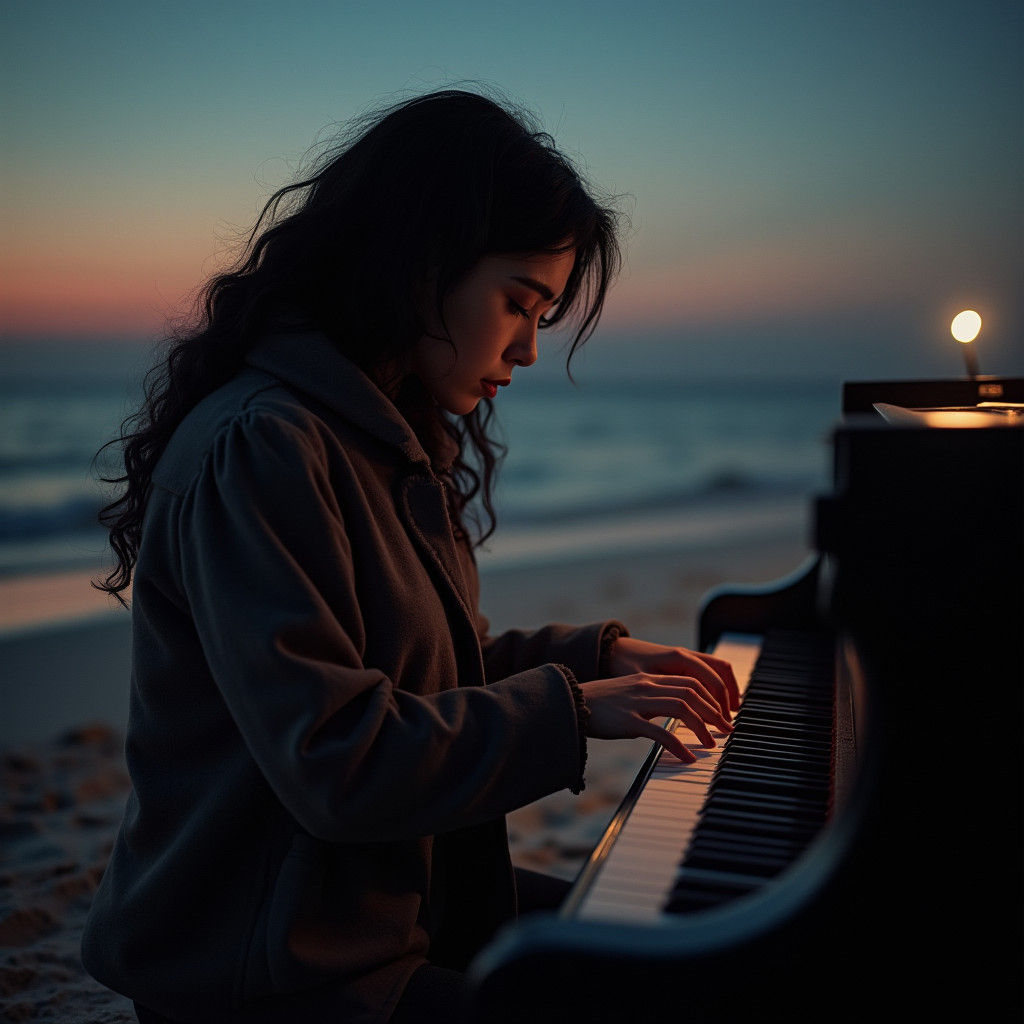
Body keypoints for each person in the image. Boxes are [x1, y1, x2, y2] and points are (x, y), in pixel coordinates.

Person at [81, 88, 740, 1024]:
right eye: (521, 302)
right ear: (422, 262)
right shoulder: (263, 448)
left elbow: (424, 679)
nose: (530, 349)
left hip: (394, 915)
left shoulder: (382, 437)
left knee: (692, 941)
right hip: (276, 971)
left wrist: (595, 660)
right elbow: (337, 760)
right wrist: (572, 711)